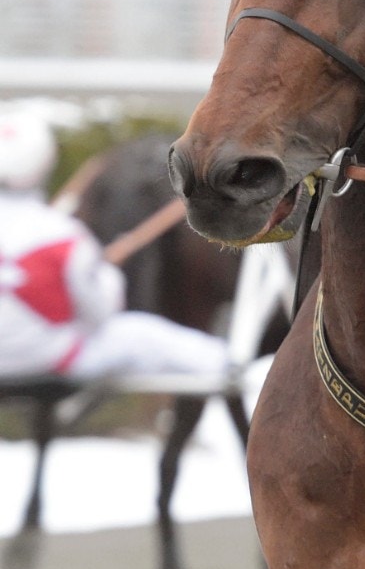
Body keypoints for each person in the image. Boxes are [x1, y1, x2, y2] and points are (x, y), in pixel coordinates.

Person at [0, 109, 234, 383]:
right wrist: (104, 273)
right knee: (139, 334)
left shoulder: (62, 233)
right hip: (50, 359)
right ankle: (239, 371)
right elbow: (101, 312)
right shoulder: (64, 237)